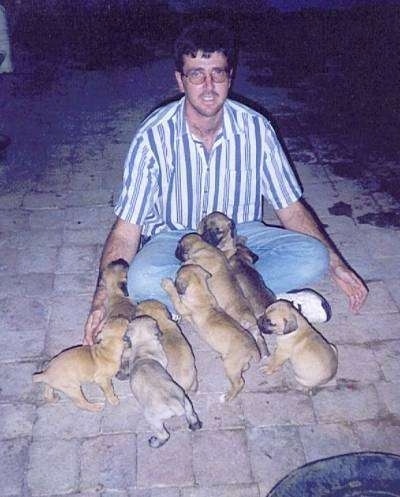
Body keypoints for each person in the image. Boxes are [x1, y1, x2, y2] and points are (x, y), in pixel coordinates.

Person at [83, 19, 368, 345]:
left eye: (217, 73)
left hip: (241, 240)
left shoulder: (256, 129)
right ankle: (265, 300)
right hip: (178, 240)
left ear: (230, 77)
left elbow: (291, 209)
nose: (208, 86)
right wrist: (101, 302)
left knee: (313, 256)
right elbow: (126, 230)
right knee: (141, 278)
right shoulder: (153, 136)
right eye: (196, 74)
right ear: (180, 80)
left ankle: (196, 304)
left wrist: (337, 266)